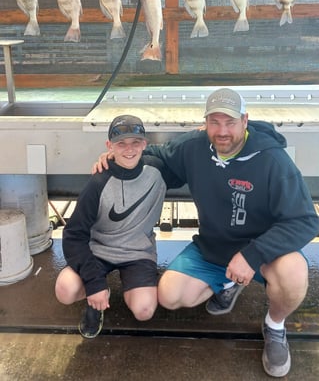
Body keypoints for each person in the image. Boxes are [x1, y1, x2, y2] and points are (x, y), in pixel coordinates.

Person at [93, 88, 319, 377]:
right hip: (213, 249)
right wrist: (117, 156)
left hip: (262, 252)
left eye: (230, 122)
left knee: (295, 272)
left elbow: (304, 220)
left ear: (245, 121)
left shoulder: (273, 160)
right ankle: (228, 283)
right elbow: (157, 157)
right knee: (170, 295)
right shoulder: (195, 146)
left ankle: (275, 326)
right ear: (205, 122)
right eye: (214, 122)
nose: (222, 131)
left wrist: (253, 255)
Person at [55, 114, 181, 339]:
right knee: (65, 290)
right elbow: (74, 234)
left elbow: (190, 155)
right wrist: (94, 283)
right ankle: (96, 299)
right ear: (109, 146)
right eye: (121, 144)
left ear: (145, 144)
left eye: (135, 142)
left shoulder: (158, 170)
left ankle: (120, 289)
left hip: (137, 251)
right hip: (99, 250)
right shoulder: (98, 182)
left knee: (144, 310)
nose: (129, 149)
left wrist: (204, 131)